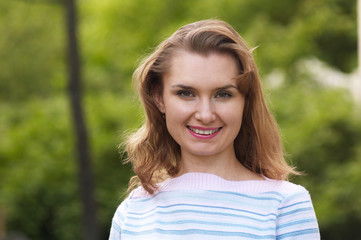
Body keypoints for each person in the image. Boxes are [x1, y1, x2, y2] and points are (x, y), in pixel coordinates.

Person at [109, 19, 320, 240]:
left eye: (223, 94)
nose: (206, 114)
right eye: (186, 93)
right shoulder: (133, 212)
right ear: (158, 97)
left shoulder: (285, 205)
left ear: (245, 102)